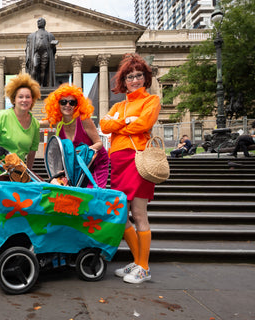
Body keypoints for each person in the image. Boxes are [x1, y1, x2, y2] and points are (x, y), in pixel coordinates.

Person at [99, 53, 161, 284]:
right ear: (123, 81)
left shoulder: (151, 101)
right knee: (121, 215)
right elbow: (105, 125)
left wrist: (120, 126)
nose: (134, 80)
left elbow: (144, 124)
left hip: (138, 160)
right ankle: (138, 262)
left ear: (145, 78)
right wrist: (126, 122)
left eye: (138, 76)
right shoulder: (118, 105)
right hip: (118, 163)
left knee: (138, 214)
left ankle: (143, 267)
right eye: (130, 77)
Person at [41, 83, 109, 188]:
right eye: (63, 102)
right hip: (77, 165)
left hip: (95, 163)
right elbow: (36, 124)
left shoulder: (84, 120)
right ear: (57, 104)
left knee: (93, 194)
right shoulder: (58, 122)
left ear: (77, 105)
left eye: (72, 102)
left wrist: (84, 152)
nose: (67, 105)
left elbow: (99, 143)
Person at [0, 73, 41, 170]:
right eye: (20, 97)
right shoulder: (1, 117)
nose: (24, 100)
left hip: (19, 174)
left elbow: (32, 151)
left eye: (28, 97)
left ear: (32, 100)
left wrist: (28, 173)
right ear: (13, 100)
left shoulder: (35, 124)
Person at [25, 17, 58, 87]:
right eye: (38, 21)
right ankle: (32, 85)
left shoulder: (50, 35)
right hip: (36, 53)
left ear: (44, 23)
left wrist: (52, 46)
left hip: (45, 53)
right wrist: (27, 57)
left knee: (44, 70)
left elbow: (53, 51)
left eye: (40, 21)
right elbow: (28, 48)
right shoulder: (31, 36)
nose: (38, 22)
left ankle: (43, 84)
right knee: (34, 66)